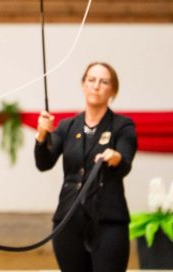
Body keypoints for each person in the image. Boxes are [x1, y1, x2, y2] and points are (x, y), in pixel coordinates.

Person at [35, 62, 137, 272]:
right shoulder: (67, 126)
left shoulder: (123, 126)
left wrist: (115, 157)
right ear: (83, 84)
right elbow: (44, 163)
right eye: (91, 80)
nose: (96, 86)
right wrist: (42, 135)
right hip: (68, 221)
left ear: (113, 90)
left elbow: (125, 162)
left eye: (103, 81)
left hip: (108, 221)